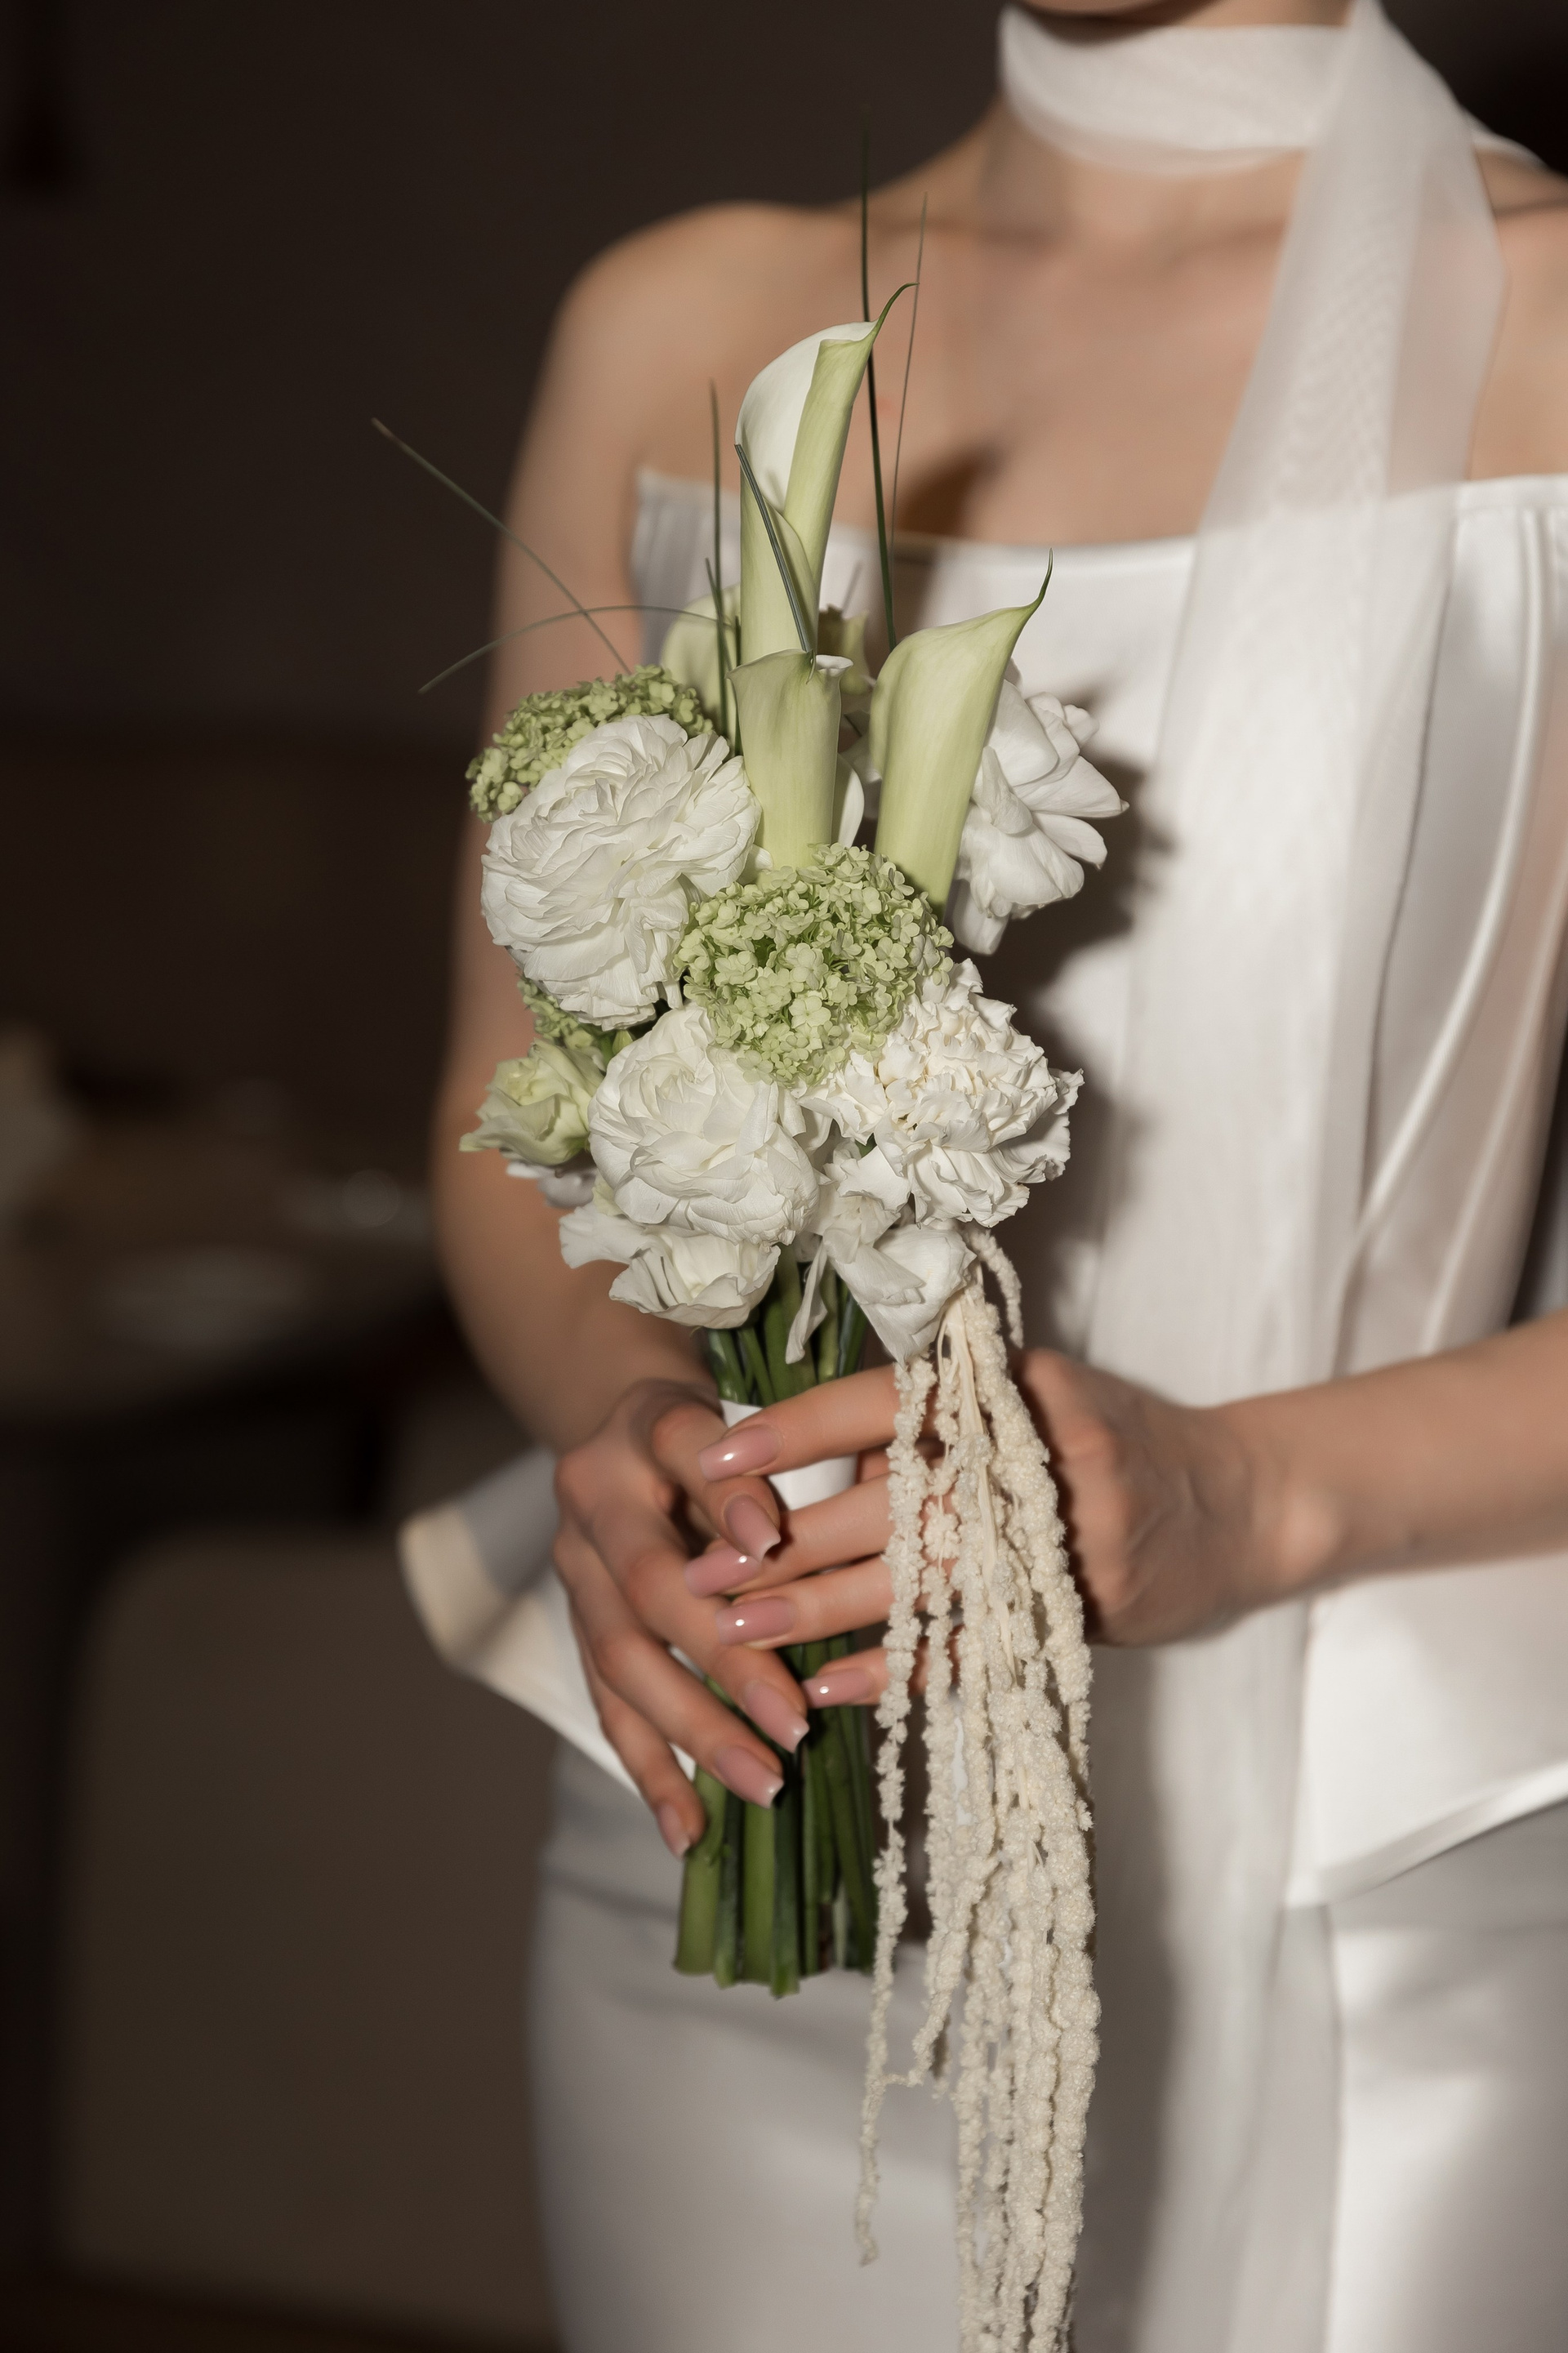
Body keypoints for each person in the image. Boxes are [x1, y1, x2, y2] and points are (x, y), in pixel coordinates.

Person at [431, 2, 1568, 2347]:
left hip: (1386, 1860)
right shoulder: (675, 324)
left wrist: (1240, 1493)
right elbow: (505, 1108)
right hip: (746, 1823)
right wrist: (631, 1421)